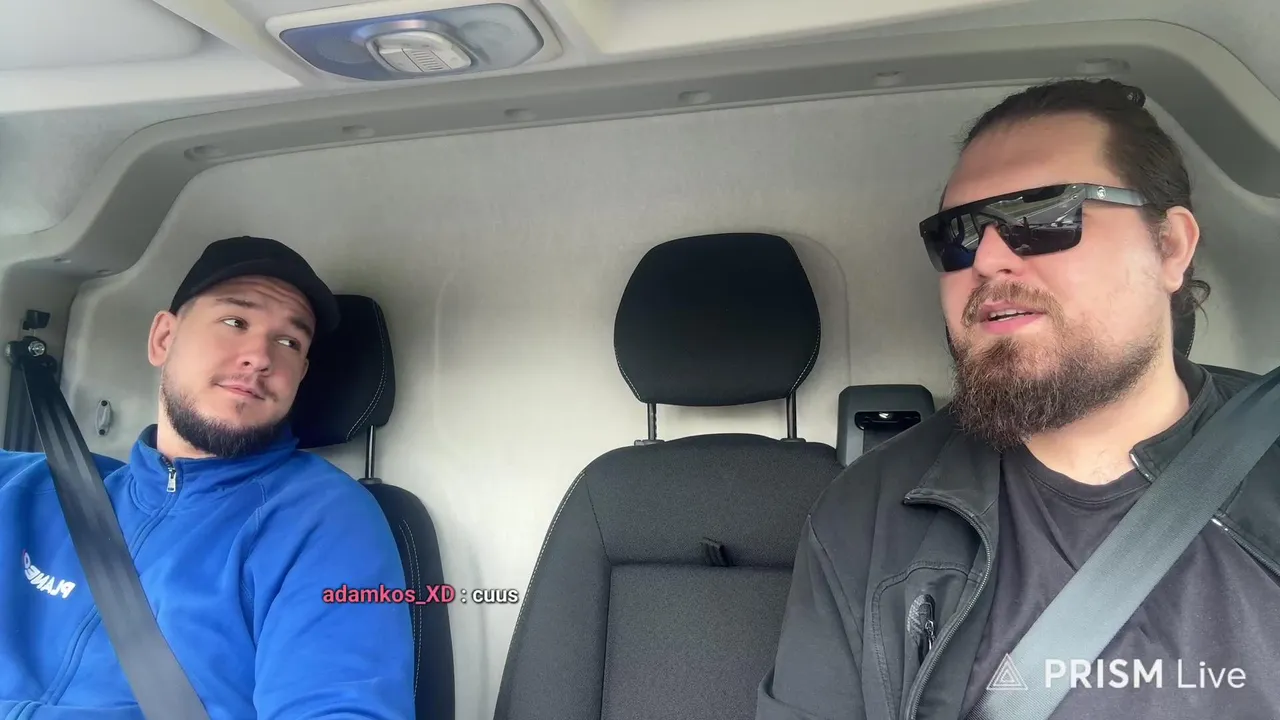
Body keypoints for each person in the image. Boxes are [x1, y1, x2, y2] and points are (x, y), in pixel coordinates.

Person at [756, 79, 1280, 720]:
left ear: (1168, 247)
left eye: (1044, 216)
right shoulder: (866, 517)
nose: (987, 258)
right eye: (959, 235)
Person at [0, 236, 415, 718]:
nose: (260, 356)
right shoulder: (29, 487)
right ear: (163, 339)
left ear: (300, 374)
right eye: (235, 322)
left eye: (289, 342)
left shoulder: (322, 521)